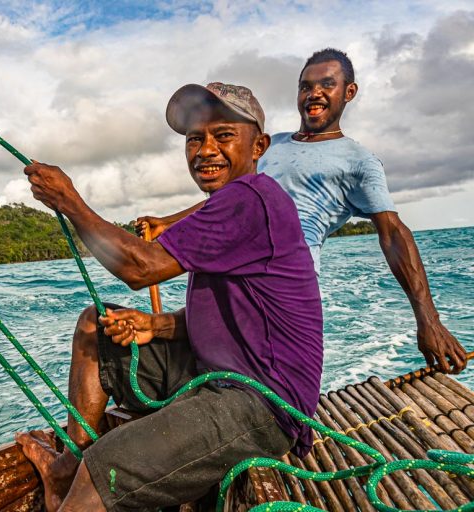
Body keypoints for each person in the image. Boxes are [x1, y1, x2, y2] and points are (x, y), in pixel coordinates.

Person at [16, 82, 323, 511]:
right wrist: (157, 325)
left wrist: (70, 202)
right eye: (195, 138)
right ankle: (67, 467)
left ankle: (79, 479)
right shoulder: (232, 203)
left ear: (260, 146)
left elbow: (140, 268)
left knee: (106, 468)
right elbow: (236, 312)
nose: (205, 149)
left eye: (224, 135)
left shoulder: (249, 199)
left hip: (263, 403)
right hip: (213, 372)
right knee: (95, 324)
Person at [139, 48, 466, 374]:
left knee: (265, 378)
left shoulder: (359, 161)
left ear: (349, 92)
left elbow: (393, 234)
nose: (314, 93)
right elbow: (232, 200)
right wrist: (169, 222)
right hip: (230, 262)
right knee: (206, 360)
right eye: (305, 86)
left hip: (278, 282)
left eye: (327, 84)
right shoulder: (270, 144)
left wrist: (428, 320)